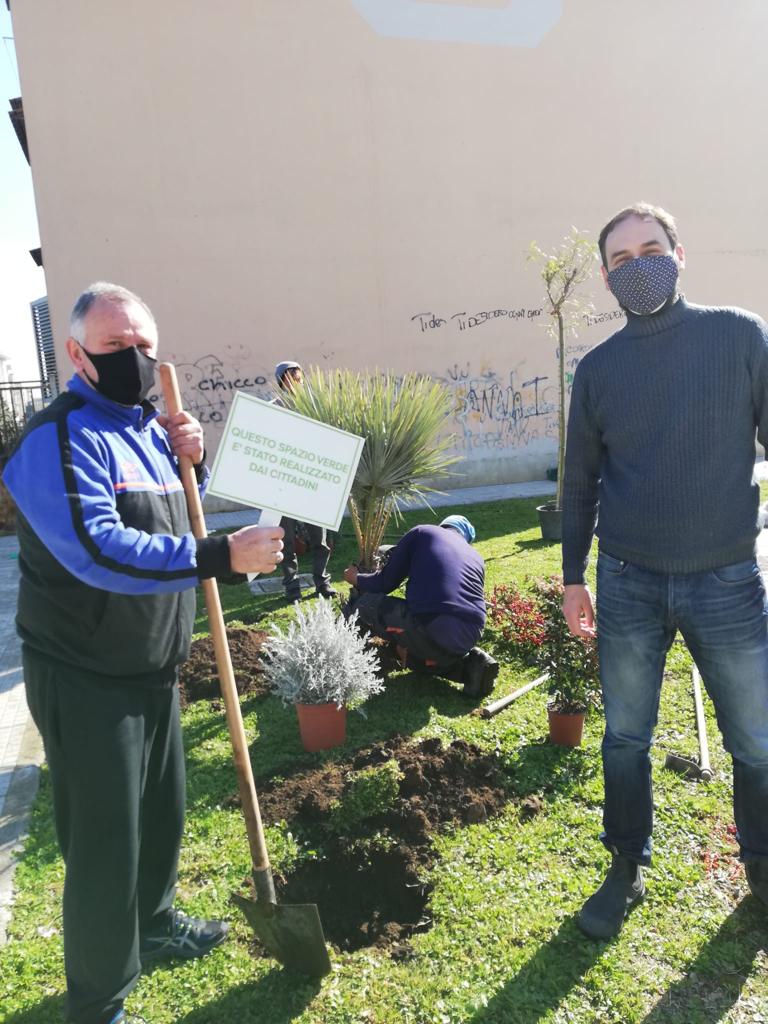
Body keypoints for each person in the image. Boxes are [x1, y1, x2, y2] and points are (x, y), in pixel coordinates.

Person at [3, 282, 284, 1024]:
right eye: (114, 345)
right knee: (106, 844)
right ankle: (98, 1002)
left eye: (142, 345)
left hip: (154, 666)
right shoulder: (57, 437)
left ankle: (153, 928)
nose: (132, 356)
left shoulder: (150, 432)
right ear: (77, 354)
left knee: (161, 816)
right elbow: (98, 548)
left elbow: (170, 520)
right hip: (84, 673)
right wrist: (221, 556)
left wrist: (190, 457)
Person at [561, 202, 768, 940]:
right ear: (606, 278)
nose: (638, 266)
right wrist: (573, 577)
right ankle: (625, 866)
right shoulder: (598, 370)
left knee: (757, 741)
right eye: (621, 259)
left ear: (680, 257)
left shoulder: (739, 336)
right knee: (625, 737)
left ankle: (762, 872)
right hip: (629, 582)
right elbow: (579, 483)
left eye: (652, 250)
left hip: (726, 580)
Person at [342, 515, 499, 697]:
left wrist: (355, 578)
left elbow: (384, 583)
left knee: (365, 604)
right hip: (468, 636)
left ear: (443, 526)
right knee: (426, 653)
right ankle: (469, 669)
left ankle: (350, 663)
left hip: (433, 626)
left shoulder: (423, 532)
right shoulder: (476, 557)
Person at [273, 360, 336, 603]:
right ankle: (292, 589)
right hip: (283, 483)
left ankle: (322, 583)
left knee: (320, 538)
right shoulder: (272, 410)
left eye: (299, 379)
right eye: (290, 379)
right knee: (287, 541)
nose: (296, 384)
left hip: (311, 482)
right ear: (281, 382)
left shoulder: (314, 408)